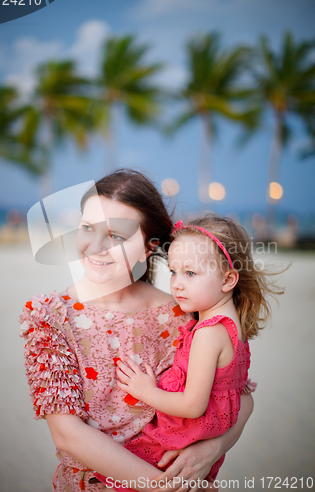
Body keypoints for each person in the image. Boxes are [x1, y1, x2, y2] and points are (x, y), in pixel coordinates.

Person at [19, 169, 254, 492]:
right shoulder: (49, 316)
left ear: (149, 246)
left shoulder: (182, 313)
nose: (96, 246)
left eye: (117, 236)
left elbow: (239, 394)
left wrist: (213, 448)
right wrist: (163, 487)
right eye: (88, 228)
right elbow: (67, 433)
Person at [94, 213, 282, 491]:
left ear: (228, 279)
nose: (177, 284)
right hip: (196, 443)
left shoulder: (208, 333)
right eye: (173, 272)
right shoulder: (233, 327)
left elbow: (193, 406)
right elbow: (241, 394)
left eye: (190, 273)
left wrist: (145, 391)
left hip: (175, 446)